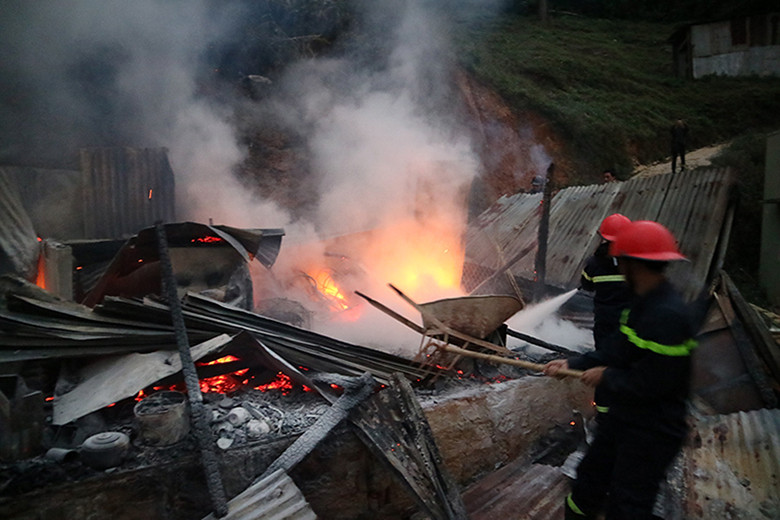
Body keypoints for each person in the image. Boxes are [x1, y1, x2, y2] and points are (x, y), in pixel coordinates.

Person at [546, 220, 696, 520]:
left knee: (628, 504)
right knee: (588, 483)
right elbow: (618, 349)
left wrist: (607, 377)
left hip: (653, 430)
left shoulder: (668, 316)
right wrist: (573, 364)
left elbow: (656, 382)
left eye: (620, 260)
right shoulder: (641, 305)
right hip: (623, 417)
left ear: (630, 264)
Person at [580, 213, 632, 418]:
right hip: (630, 325)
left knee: (603, 367)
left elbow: (586, 285)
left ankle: (603, 416)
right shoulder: (633, 263)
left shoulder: (594, 263)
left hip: (605, 324)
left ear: (603, 237)